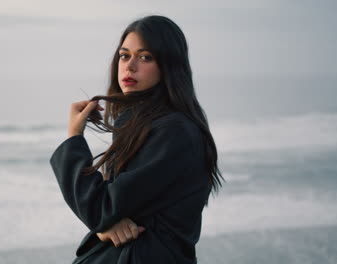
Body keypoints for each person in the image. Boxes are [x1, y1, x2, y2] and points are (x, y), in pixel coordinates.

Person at [50, 15, 224, 264]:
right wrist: (105, 225)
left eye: (145, 57)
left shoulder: (175, 132)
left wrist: (74, 138)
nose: (130, 66)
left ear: (169, 66)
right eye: (124, 55)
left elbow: (101, 208)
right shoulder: (141, 126)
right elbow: (107, 209)